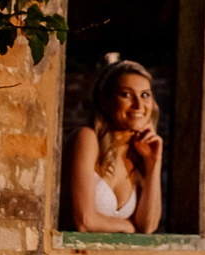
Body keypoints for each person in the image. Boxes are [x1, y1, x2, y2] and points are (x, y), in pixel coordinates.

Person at [65, 56, 165, 234]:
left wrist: (153, 164)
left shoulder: (137, 155)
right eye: (126, 95)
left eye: (145, 95)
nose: (138, 105)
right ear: (105, 101)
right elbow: (85, 221)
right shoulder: (86, 138)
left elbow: (148, 226)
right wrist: (130, 227)